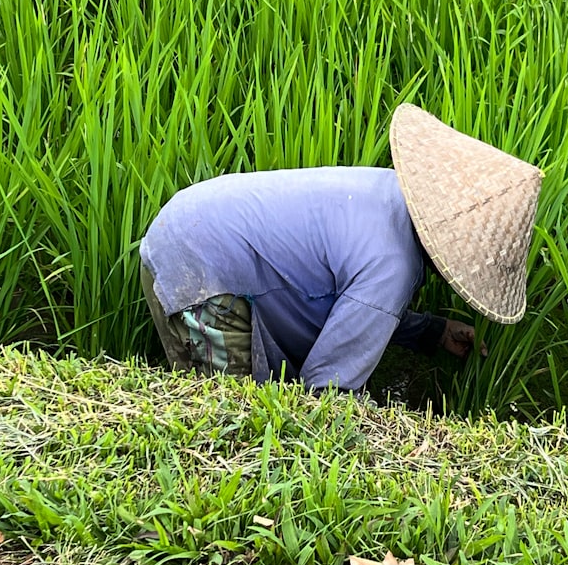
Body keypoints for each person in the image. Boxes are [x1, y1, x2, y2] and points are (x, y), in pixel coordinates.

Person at [139, 103, 544, 394]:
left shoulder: (384, 192)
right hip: (207, 277)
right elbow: (326, 388)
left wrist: (432, 333)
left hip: (180, 235)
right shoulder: (394, 265)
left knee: (199, 408)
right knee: (231, 424)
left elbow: (346, 304)